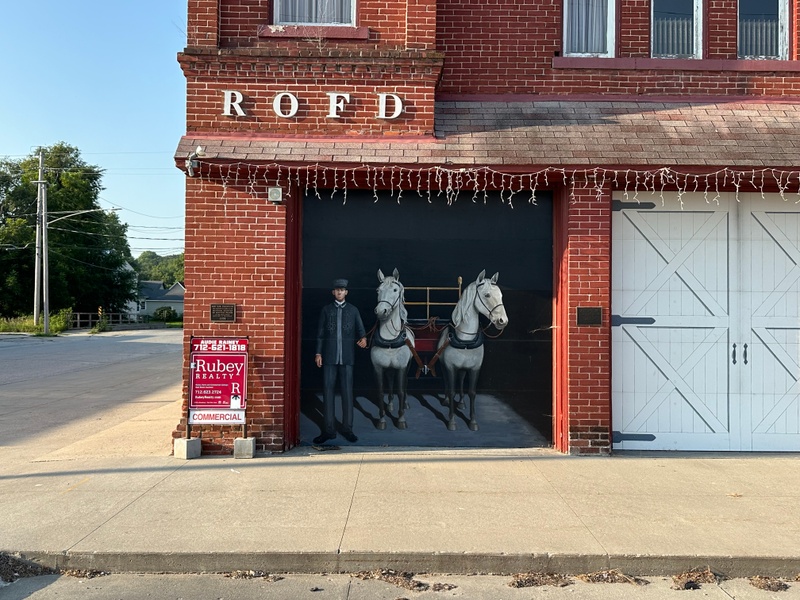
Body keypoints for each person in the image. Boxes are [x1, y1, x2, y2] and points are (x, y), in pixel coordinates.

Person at [314, 278, 367, 444]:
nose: (339, 292)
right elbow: (321, 334)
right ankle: (329, 430)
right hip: (329, 357)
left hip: (347, 357)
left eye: (342, 290)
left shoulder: (353, 310)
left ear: (346, 292)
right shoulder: (326, 310)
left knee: (347, 393)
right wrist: (318, 353)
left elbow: (361, 332)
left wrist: (363, 340)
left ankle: (347, 429)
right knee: (328, 393)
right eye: (337, 289)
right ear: (333, 292)